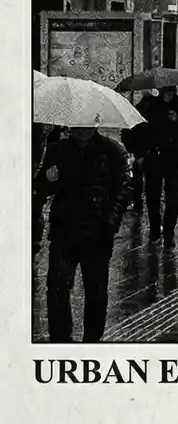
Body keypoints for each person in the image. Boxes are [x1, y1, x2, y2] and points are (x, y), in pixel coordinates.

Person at [36, 125, 134, 342]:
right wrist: (47, 179)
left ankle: (92, 341)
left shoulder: (113, 150)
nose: (82, 131)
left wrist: (111, 220)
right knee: (57, 288)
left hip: (98, 232)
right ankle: (61, 341)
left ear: (96, 124)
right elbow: (41, 188)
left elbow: (126, 186)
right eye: (77, 127)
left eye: (87, 126)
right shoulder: (57, 150)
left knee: (96, 291)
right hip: (64, 230)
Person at [135, 85, 178, 243]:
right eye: (164, 91)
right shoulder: (147, 105)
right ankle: (155, 230)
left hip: (174, 158)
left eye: (171, 91)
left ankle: (169, 232)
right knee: (152, 196)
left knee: (173, 197)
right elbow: (136, 130)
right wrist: (139, 155)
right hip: (153, 157)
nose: (168, 95)